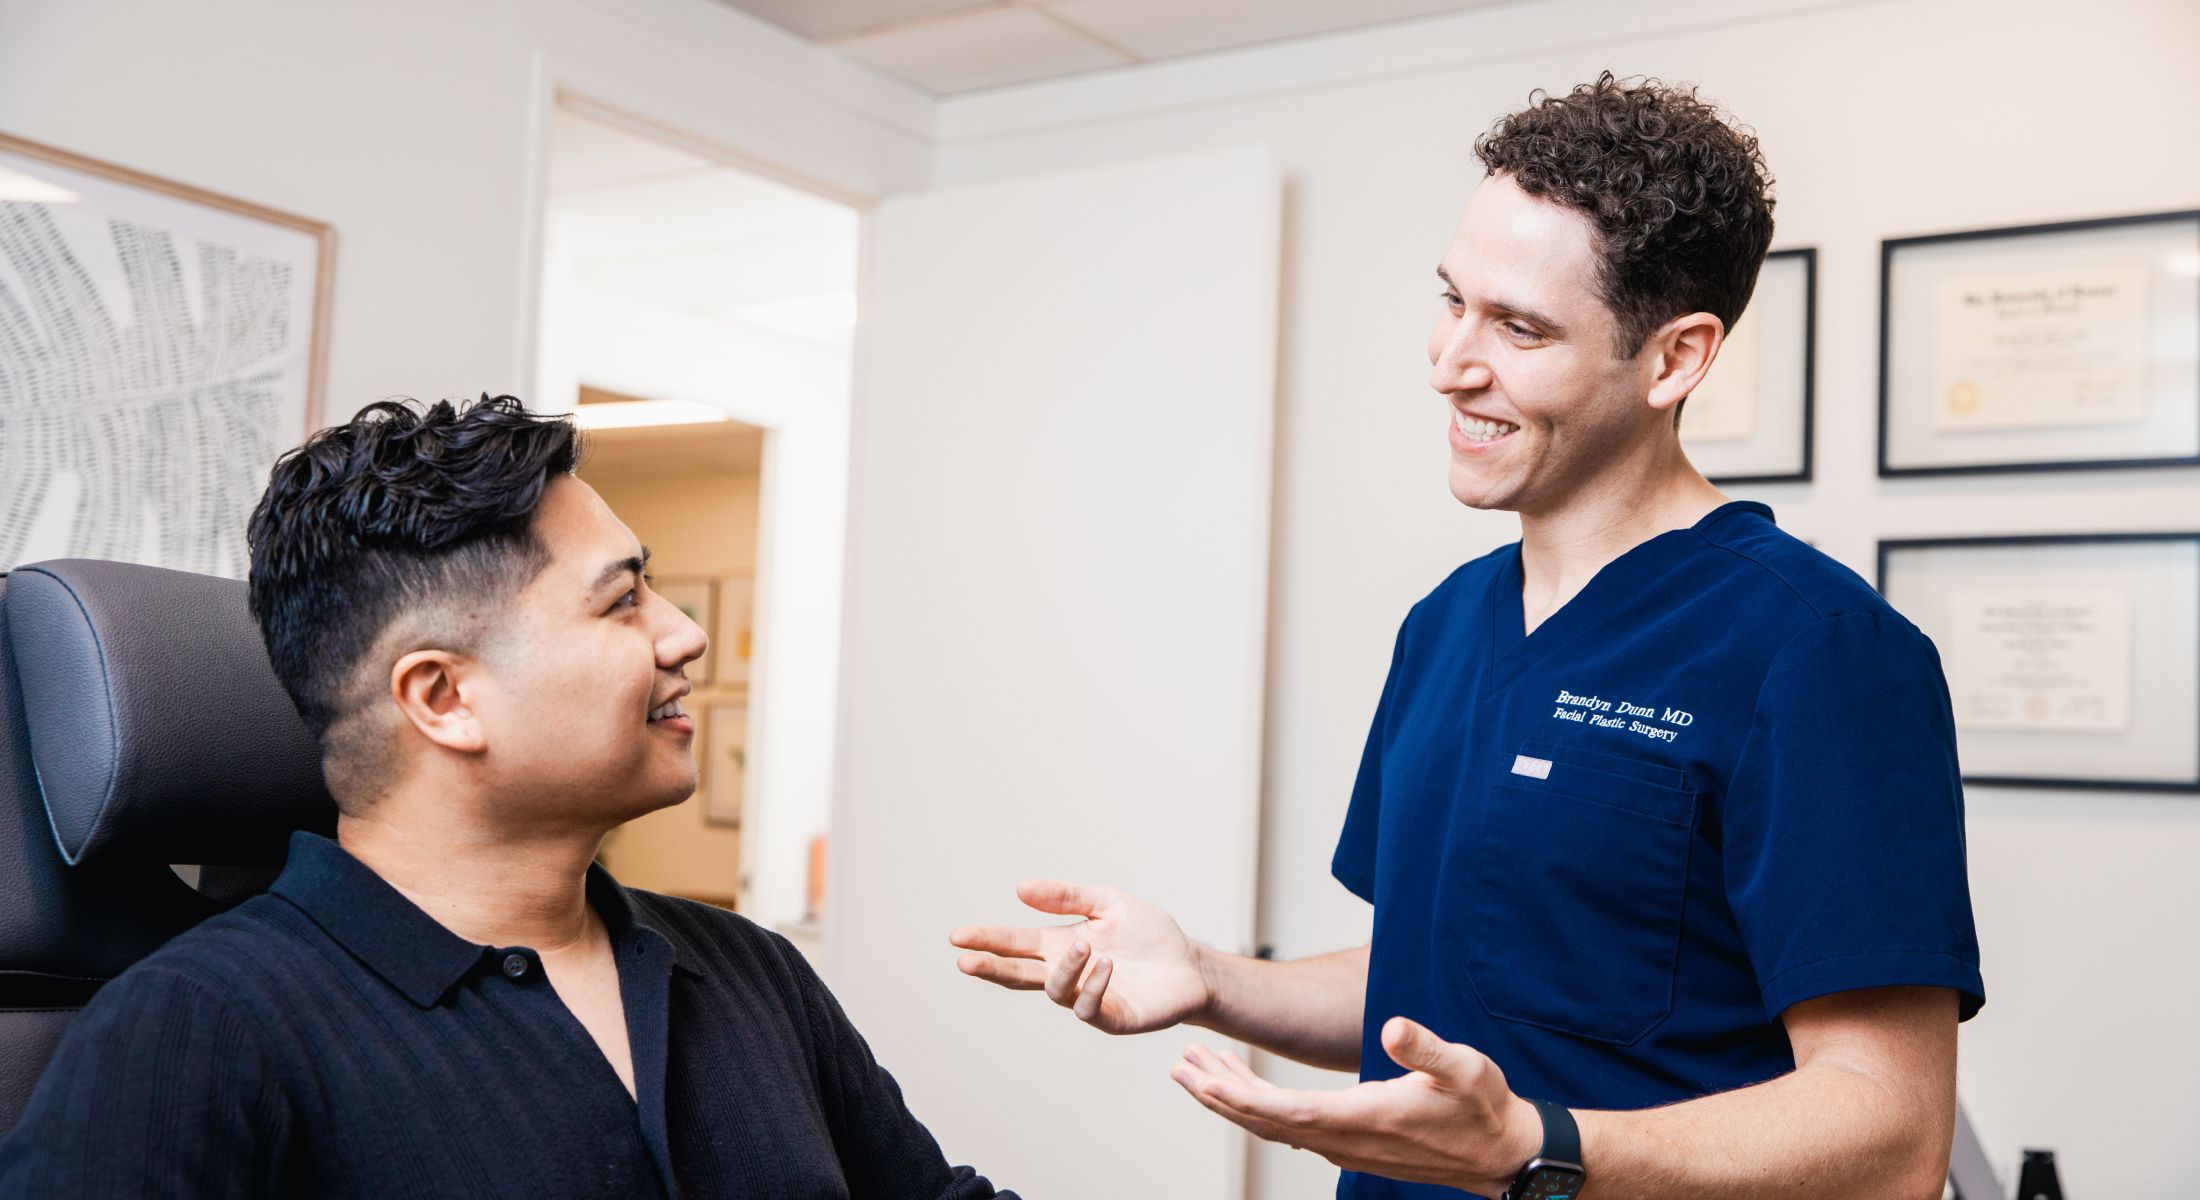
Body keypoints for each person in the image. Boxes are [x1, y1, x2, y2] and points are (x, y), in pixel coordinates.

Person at [950, 74, 1982, 1200]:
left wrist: (1541, 1151)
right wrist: (1205, 976)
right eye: (1453, 301)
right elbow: (1436, 976)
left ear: (1674, 359)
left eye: (1518, 327)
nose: (1450, 363)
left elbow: (1891, 1132)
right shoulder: (1445, 624)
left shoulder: (1819, 652)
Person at [0, 396, 1012, 1200]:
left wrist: (1182, 996)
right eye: (622, 601)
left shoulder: (749, 972)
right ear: (443, 698)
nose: (682, 635)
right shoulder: (197, 1030)